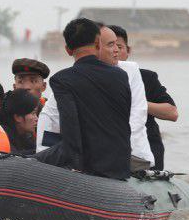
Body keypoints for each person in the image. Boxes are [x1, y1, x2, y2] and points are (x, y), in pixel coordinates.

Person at [34, 18, 131, 180]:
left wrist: (75, 167)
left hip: (90, 166)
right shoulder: (121, 75)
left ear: (68, 50)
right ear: (98, 43)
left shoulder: (62, 80)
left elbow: (70, 129)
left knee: (28, 161)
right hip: (120, 165)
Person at [109, 25, 178, 170]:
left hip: (147, 146)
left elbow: (172, 113)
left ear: (128, 51)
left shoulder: (147, 77)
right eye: (110, 45)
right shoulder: (93, 76)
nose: (114, 51)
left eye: (119, 46)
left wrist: (138, 103)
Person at [0, 89, 39, 155]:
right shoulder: (2, 137)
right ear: (18, 117)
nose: (37, 118)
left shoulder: (25, 137)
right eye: (33, 113)